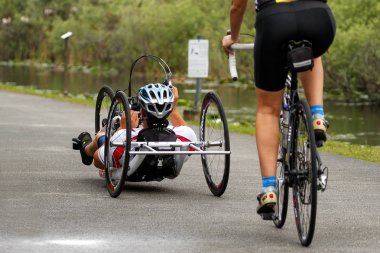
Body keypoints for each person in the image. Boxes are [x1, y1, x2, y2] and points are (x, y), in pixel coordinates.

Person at [222, 0, 335, 216]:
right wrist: (320, 30)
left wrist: (233, 37)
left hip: (274, 20)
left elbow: (237, 6)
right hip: (318, 16)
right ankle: (317, 116)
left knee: (267, 109)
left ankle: (269, 190)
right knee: (312, 52)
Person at [73, 83, 197, 179]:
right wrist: (174, 111)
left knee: (101, 135)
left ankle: (86, 150)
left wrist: (123, 128)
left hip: (130, 170)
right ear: (169, 109)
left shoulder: (124, 137)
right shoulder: (186, 137)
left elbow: (97, 161)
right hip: (164, 167)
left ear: (142, 111)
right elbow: (183, 128)